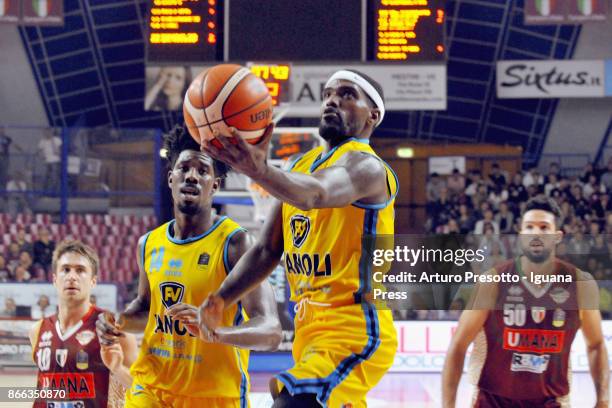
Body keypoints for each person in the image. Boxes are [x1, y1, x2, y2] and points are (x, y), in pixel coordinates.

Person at [199, 69, 399, 407]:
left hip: (353, 329)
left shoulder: (368, 168)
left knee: (293, 401)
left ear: (373, 116)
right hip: (309, 332)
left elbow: (316, 194)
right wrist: (221, 298)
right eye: (328, 94)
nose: (332, 100)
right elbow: (266, 249)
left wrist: (259, 171)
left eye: (348, 94)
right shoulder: (302, 165)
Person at [96, 125, 281, 408]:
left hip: (214, 396)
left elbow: (270, 332)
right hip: (152, 389)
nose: (192, 176)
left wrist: (213, 331)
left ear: (215, 185)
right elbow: (147, 310)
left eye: (203, 171)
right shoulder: (149, 243)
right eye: (184, 168)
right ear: (171, 179)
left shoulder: (236, 243)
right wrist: (117, 323)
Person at [442, 196, 609, 407]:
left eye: (544, 227)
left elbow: (595, 345)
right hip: (493, 401)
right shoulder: (493, 281)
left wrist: (603, 399)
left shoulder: (580, 284)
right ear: (521, 235)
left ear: (558, 236)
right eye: (529, 227)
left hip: (551, 401)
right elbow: (458, 345)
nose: (536, 233)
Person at [29, 240, 138, 407]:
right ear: (54, 279)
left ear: (93, 281)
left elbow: (142, 390)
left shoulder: (114, 328)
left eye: (80, 270)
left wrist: (118, 369)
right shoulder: (38, 330)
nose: (72, 276)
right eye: (65, 270)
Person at [37, 128, 62, 193]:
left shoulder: (57, 140)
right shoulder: (42, 141)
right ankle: (44, 191)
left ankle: (54, 191)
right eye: (45, 132)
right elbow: (39, 151)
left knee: (54, 177)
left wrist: (51, 140)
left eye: (48, 132)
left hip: (54, 161)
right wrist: (41, 156)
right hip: (46, 161)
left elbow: (57, 152)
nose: (46, 134)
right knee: (46, 177)